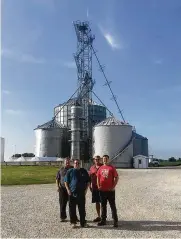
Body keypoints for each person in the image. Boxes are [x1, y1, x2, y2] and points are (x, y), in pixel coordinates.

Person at [64, 159, 90, 228]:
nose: (77, 164)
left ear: (80, 164)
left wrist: (86, 190)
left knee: (82, 209)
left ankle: (83, 223)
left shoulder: (83, 171)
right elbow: (66, 181)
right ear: (73, 164)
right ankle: (73, 222)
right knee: (72, 208)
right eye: (76, 163)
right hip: (72, 193)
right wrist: (68, 190)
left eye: (78, 163)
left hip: (81, 193)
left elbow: (88, 181)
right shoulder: (70, 171)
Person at [97, 155, 119, 227]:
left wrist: (113, 187)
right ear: (102, 160)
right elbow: (98, 177)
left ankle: (115, 221)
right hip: (102, 190)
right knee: (103, 206)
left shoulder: (112, 168)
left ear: (108, 159)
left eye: (106, 159)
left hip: (110, 191)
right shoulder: (100, 168)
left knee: (112, 206)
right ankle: (103, 220)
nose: (105, 160)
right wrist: (98, 186)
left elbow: (116, 177)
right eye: (103, 159)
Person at [56, 158, 79, 222]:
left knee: (72, 204)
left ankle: (74, 217)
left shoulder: (73, 168)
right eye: (66, 162)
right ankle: (63, 217)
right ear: (64, 162)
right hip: (62, 188)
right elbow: (57, 179)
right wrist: (57, 186)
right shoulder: (61, 169)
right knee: (62, 203)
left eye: (68, 162)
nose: (67, 163)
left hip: (71, 189)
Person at [89, 155, 103, 222]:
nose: (97, 160)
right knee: (97, 202)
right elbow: (90, 177)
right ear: (94, 160)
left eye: (98, 159)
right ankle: (99, 216)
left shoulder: (103, 166)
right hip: (94, 187)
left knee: (103, 202)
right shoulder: (92, 168)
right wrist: (89, 186)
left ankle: (104, 217)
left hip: (102, 187)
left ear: (100, 160)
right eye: (95, 159)